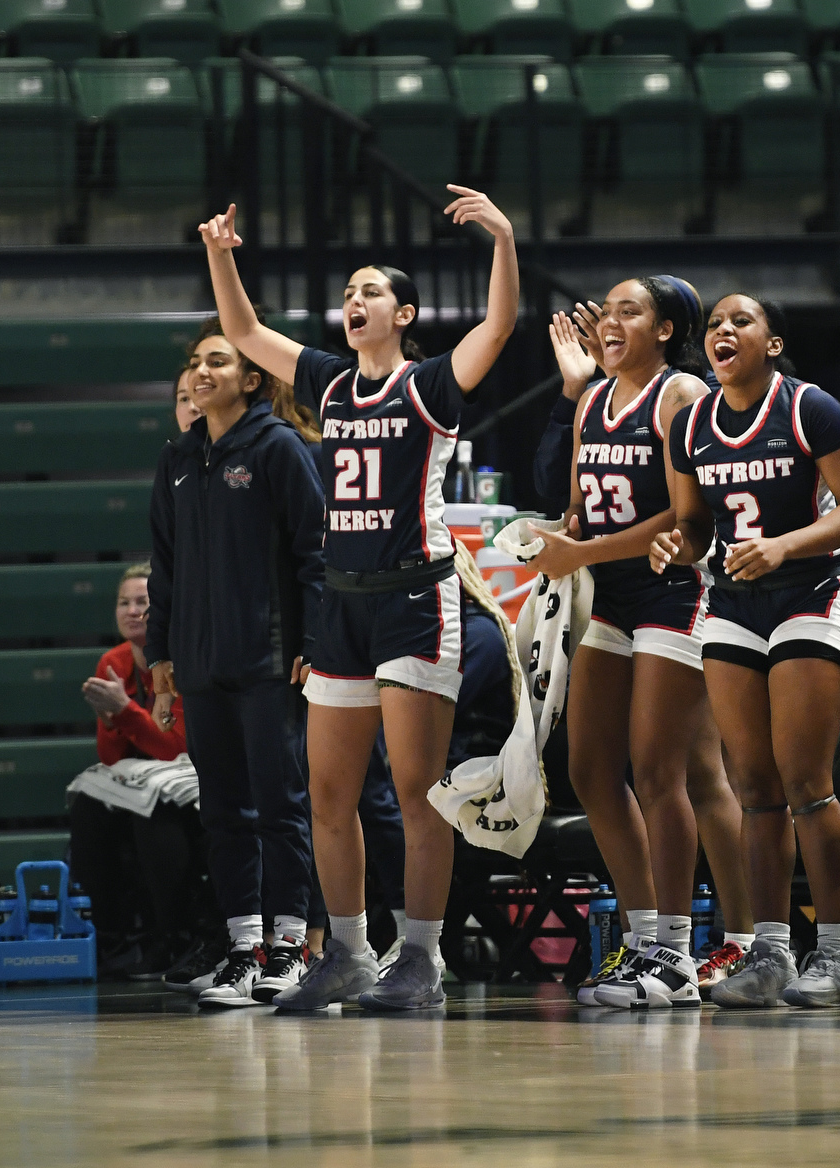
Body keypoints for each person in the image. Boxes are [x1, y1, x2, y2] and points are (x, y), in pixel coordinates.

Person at [194, 187, 519, 1012]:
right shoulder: (330, 384)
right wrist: (221, 256)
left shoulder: (432, 386)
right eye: (347, 296)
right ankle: (346, 951)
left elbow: (497, 328)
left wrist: (503, 241)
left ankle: (422, 958)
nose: (353, 303)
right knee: (330, 794)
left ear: (403, 313)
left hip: (415, 600)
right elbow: (243, 333)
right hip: (340, 606)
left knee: (417, 790)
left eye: (369, 292)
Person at [529, 276, 753, 1010]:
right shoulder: (593, 400)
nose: (610, 319)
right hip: (611, 598)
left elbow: (684, 522)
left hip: (675, 592)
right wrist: (554, 539)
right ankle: (643, 934)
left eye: (630, 310)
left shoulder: (680, 395)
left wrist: (582, 554)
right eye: (608, 309)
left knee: (664, 770)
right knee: (591, 767)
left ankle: (681, 951)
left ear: (664, 329)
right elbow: (576, 508)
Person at [649, 294, 840, 1009]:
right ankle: (770, 952)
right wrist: (673, 544)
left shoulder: (811, 408)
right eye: (715, 323)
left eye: (741, 321)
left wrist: (783, 546)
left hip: (811, 593)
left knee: (806, 778)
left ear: (773, 343)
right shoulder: (690, 426)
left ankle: (838, 956)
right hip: (733, 604)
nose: (723, 330)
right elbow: (690, 523)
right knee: (752, 786)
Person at [147, 318, 326, 1010]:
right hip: (200, 663)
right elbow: (164, 566)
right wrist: (161, 654)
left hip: (269, 662)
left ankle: (290, 946)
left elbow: (314, 553)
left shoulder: (278, 448)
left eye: (217, 361)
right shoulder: (178, 460)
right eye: (194, 363)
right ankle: (242, 948)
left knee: (280, 808)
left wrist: (313, 642)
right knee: (223, 812)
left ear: (251, 378)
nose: (201, 372)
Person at [68, 563, 204, 977]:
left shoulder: (182, 656)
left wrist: (123, 712)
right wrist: (111, 721)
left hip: (189, 775)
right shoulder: (112, 660)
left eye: (142, 602)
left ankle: (177, 938)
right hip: (143, 776)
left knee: (154, 813)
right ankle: (116, 940)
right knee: (88, 804)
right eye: (123, 602)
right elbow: (110, 756)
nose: (131, 611)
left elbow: (175, 745)